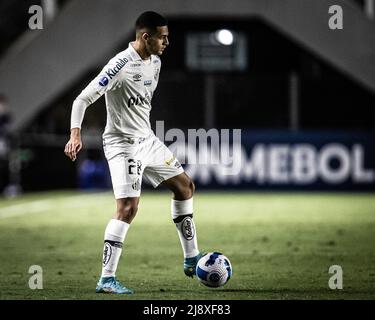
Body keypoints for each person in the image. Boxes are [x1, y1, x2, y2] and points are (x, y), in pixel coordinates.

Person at [64, 11, 203, 294]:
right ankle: (106, 279)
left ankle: (192, 257)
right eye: (162, 37)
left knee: (185, 187)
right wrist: (75, 134)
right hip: (122, 144)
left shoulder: (156, 63)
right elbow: (82, 99)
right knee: (128, 208)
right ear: (145, 37)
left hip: (147, 141)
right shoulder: (119, 66)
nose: (167, 42)